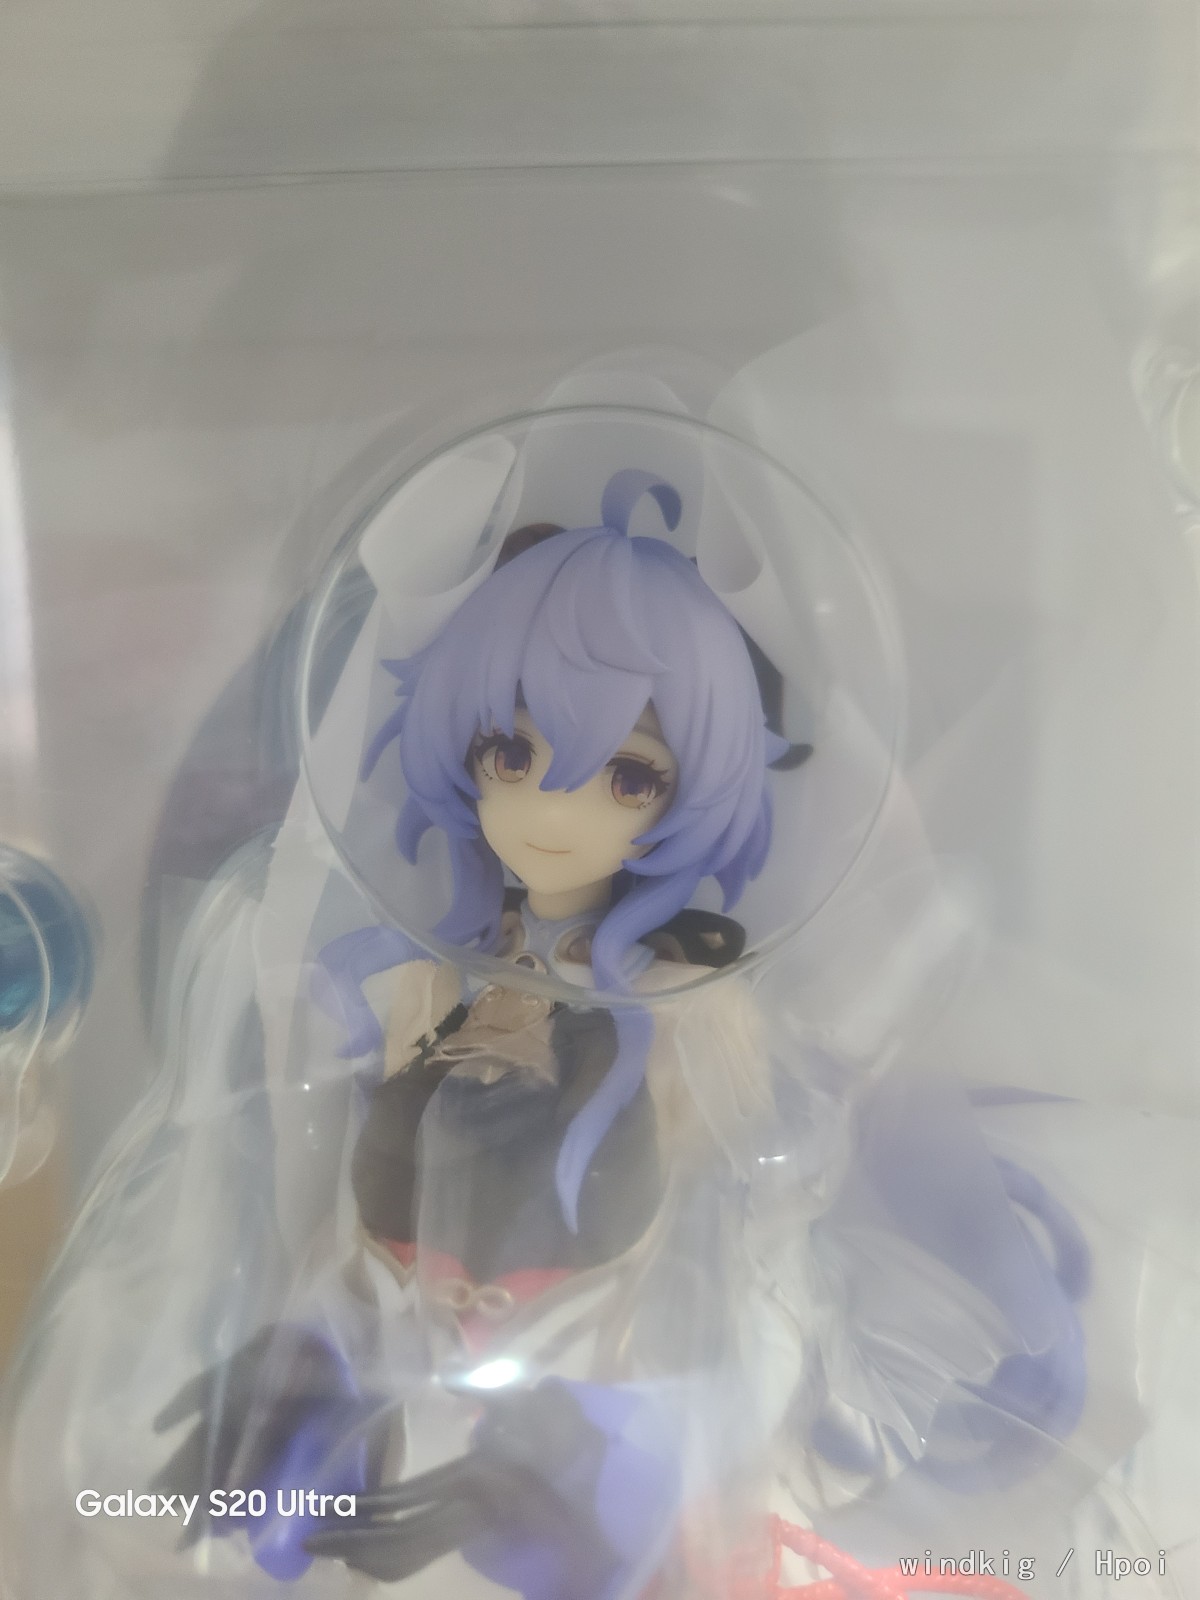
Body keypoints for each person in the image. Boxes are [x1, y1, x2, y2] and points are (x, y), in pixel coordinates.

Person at [156, 471, 1086, 1600]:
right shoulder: (412, 982)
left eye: (628, 774)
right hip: (422, 1396)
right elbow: (355, 1241)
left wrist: (594, 1449)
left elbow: (745, 1255)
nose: (554, 808)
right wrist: (310, 1350)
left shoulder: (695, 1008)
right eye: (511, 755)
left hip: (605, 1418)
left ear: (687, 793)